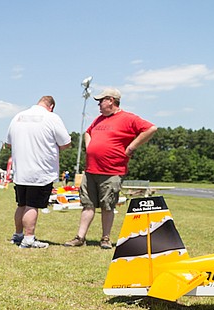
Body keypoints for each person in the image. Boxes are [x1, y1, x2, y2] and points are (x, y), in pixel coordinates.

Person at [64, 88, 157, 249]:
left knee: (108, 205)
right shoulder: (99, 119)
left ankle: (105, 238)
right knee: (87, 205)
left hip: (112, 171)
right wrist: (89, 146)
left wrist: (132, 147)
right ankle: (80, 237)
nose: (99, 105)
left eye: (101, 101)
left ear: (111, 101)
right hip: (91, 170)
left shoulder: (128, 118)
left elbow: (151, 128)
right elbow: (88, 132)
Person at [5, 96, 71, 248]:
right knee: (32, 205)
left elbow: (8, 143)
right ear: (51, 106)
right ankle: (29, 239)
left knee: (21, 204)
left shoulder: (18, 117)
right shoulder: (51, 117)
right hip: (40, 170)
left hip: (20, 170)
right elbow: (65, 143)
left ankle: (18, 235)